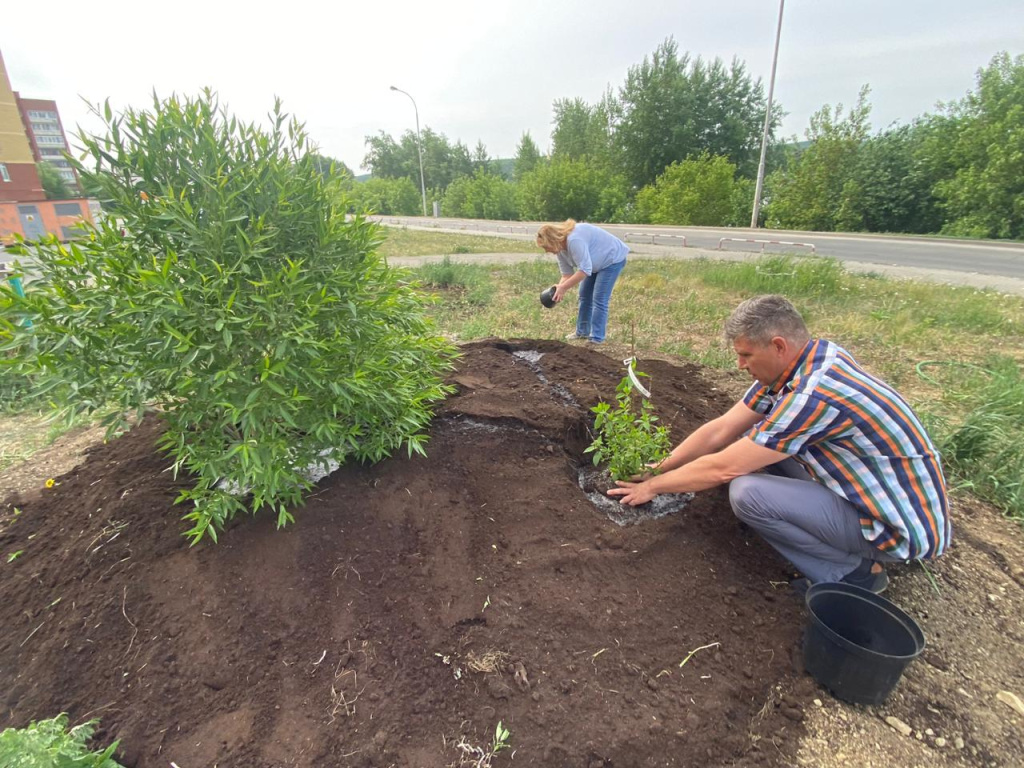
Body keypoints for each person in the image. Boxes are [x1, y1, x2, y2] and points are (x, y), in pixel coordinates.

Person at [607, 294, 950, 594]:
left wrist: (654, 486)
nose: (740, 365)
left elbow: (725, 467)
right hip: (872, 492)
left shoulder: (814, 394)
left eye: (746, 355)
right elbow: (722, 429)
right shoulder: (805, 363)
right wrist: (663, 466)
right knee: (750, 441)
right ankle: (845, 552)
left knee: (747, 493)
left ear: (779, 346)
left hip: (897, 524)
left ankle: (853, 575)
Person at [536, 219, 628, 344]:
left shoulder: (574, 240)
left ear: (553, 240)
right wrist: (559, 288)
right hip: (593, 264)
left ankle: (597, 337)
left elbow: (585, 270)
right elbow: (567, 274)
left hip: (611, 260)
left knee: (599, 298)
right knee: (584, 295)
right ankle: (582, 332)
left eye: (546, 247)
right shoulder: (560, 249)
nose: (546, 251)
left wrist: (564, 288)